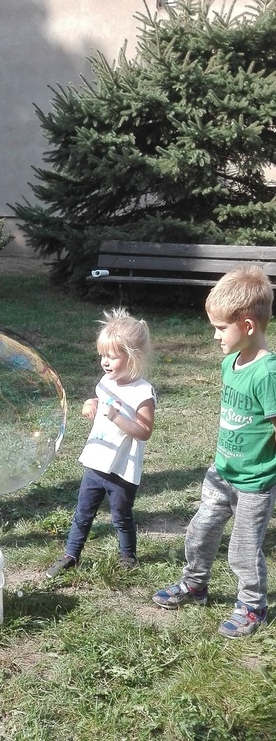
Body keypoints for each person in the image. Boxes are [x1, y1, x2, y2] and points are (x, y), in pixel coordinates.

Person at [153, 266, 276, 638]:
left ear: (248, 326)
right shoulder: (229, 363)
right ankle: (195, 584)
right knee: (200, 530)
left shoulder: (268, 375)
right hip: (221, 472)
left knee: (243, 550)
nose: (215, 335)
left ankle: (252, 607)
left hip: (254, 483)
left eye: (221, 328)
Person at [46, 308, 156, 578]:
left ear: (133, 357)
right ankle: (71, 554)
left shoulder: (143, 393)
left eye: (112, 357)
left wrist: (117, 417)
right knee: (82, 513)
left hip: (121, 469)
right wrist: (90, 404)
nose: (105, 363)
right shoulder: (106, 380)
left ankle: (128, 556)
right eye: (102, 356)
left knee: (121, 516)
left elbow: (144, 431)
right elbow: (100, 400)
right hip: (96, 462)